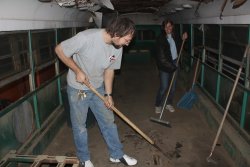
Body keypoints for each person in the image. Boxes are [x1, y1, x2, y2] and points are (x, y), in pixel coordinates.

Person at [55, 17, 137, 167]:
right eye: (127, 39)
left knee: (108, 122)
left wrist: (108, 94)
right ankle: (84, 159)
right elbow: (59, 50)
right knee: (80, 127)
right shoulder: (86, 38)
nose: (128, 43)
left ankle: (116, 154)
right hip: (78, 89)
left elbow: (109, 70)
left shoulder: (118, 47)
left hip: (98, 87)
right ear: (117, 34)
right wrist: (77, 70)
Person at [154, 19, 188, 114]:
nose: (168, 28)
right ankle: (158, 105)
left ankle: (169, 104)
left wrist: (183, 39)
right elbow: (161, 58)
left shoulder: (175, 36)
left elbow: (180, 46)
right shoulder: (160, 39)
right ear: (164, 28)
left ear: (172, 27)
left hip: (175, 62)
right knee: (164, 87)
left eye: (170, 26)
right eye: (166, 26)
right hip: (164, 65)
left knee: (172, 87)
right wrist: (173, 67)